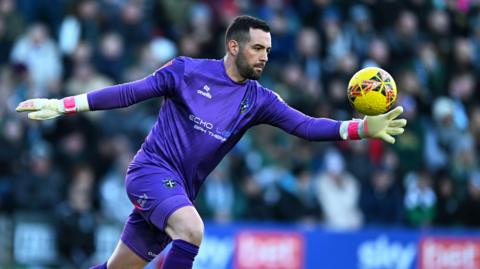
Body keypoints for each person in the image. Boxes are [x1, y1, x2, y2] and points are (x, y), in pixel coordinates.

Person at [16, 15, 407, 269]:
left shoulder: (259, 100)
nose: (265, 57)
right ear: (233, 46)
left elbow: (304, 126)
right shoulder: (186, 72)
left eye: (268, 50)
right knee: (192, 231)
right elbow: (129, 93)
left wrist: (358, 129)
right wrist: (63, 105)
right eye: (258, 48)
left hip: (180, 189)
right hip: (150, 172)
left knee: (118, 268)